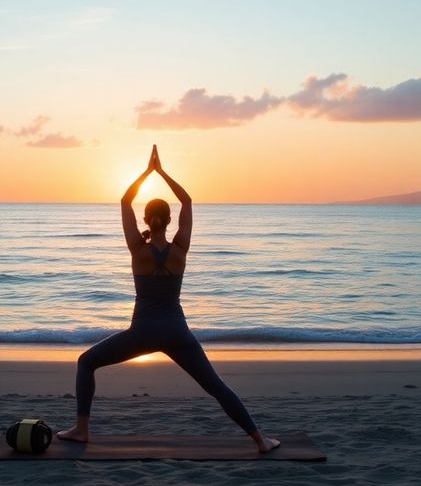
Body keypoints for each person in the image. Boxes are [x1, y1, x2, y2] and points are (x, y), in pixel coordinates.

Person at [56, 145, 281, 453]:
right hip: (178, 332)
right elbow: (187, 200)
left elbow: (124, 200)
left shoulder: (137, 248)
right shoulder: (180, 249)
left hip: (143, 332)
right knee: (215, 387)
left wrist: (147, 173)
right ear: (169, 219)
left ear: (147, 219)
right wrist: (163, 173)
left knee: (86, 362)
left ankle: (82, 430)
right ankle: (261, 440)